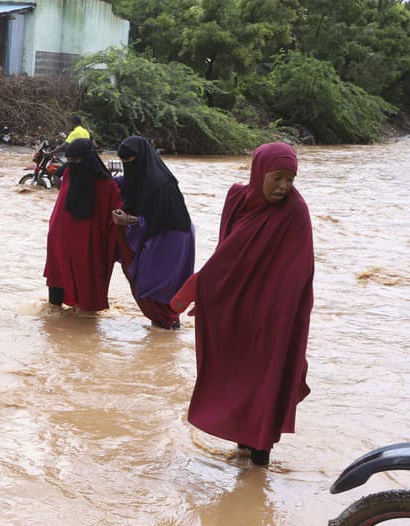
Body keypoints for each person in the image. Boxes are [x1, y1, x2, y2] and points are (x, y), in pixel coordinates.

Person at [174, 142, 314, 467]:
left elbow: (299, 275)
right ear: (259, 171)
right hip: (236, 309)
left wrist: (278, 321)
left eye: (290, 180)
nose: (284, 186)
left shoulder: (295, 213)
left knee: (265, 383)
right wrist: (212, 295)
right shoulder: (237, 198)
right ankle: (242, 456)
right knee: (237, 377)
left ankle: (258, 469)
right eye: (277, 177)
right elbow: (227, 251)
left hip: (274, 318)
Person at [111, 135, 195, 329]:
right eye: (124, 163)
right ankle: (162, 335)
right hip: (156, 235)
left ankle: (168, 331)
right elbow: (124, 183)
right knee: (148, 284)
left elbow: (156, 219)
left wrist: (127, 220)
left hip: (171, 236)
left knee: (158, 286)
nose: (128, 166)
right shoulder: (141, 176)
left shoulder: (160, 184)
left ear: (142, 158)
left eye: (130, 162)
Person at [43, 139, 123, 311]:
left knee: (86, 283)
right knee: (57, 281)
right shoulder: (69, 175)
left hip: (89, 242)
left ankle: (83, 324)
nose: (72, 165)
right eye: (69, 161)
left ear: (88, 159)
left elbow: (115, 217)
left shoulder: (106, 185)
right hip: (61, 238)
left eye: (76, 161)